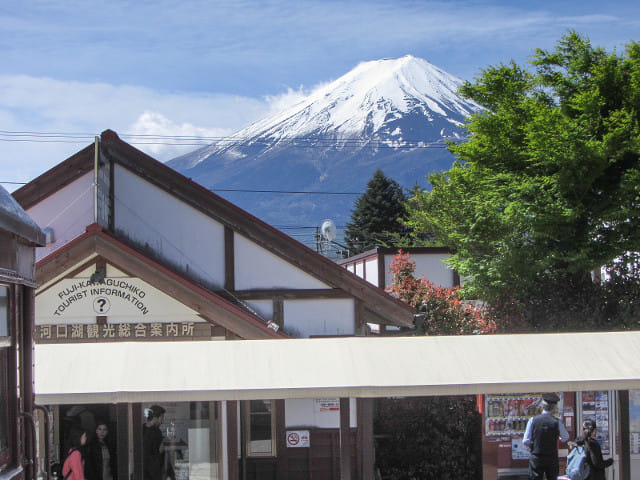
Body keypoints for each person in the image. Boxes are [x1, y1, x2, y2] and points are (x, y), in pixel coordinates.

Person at [523, 393, 570, 480]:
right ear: (553, 408)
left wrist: (533, 447)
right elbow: (565, 437)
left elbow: (526, 440)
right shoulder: (557, 422)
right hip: (551, 457)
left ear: (542, 407)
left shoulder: (533, 420)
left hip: (537, 456)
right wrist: (556, 438)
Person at [142, 405, 166, 480]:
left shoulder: (141, 429)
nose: (162, 421)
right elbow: (159, 451)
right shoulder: (156, 432)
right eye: (161, 418)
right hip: (152, 473)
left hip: (141, 471)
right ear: (155, 418)